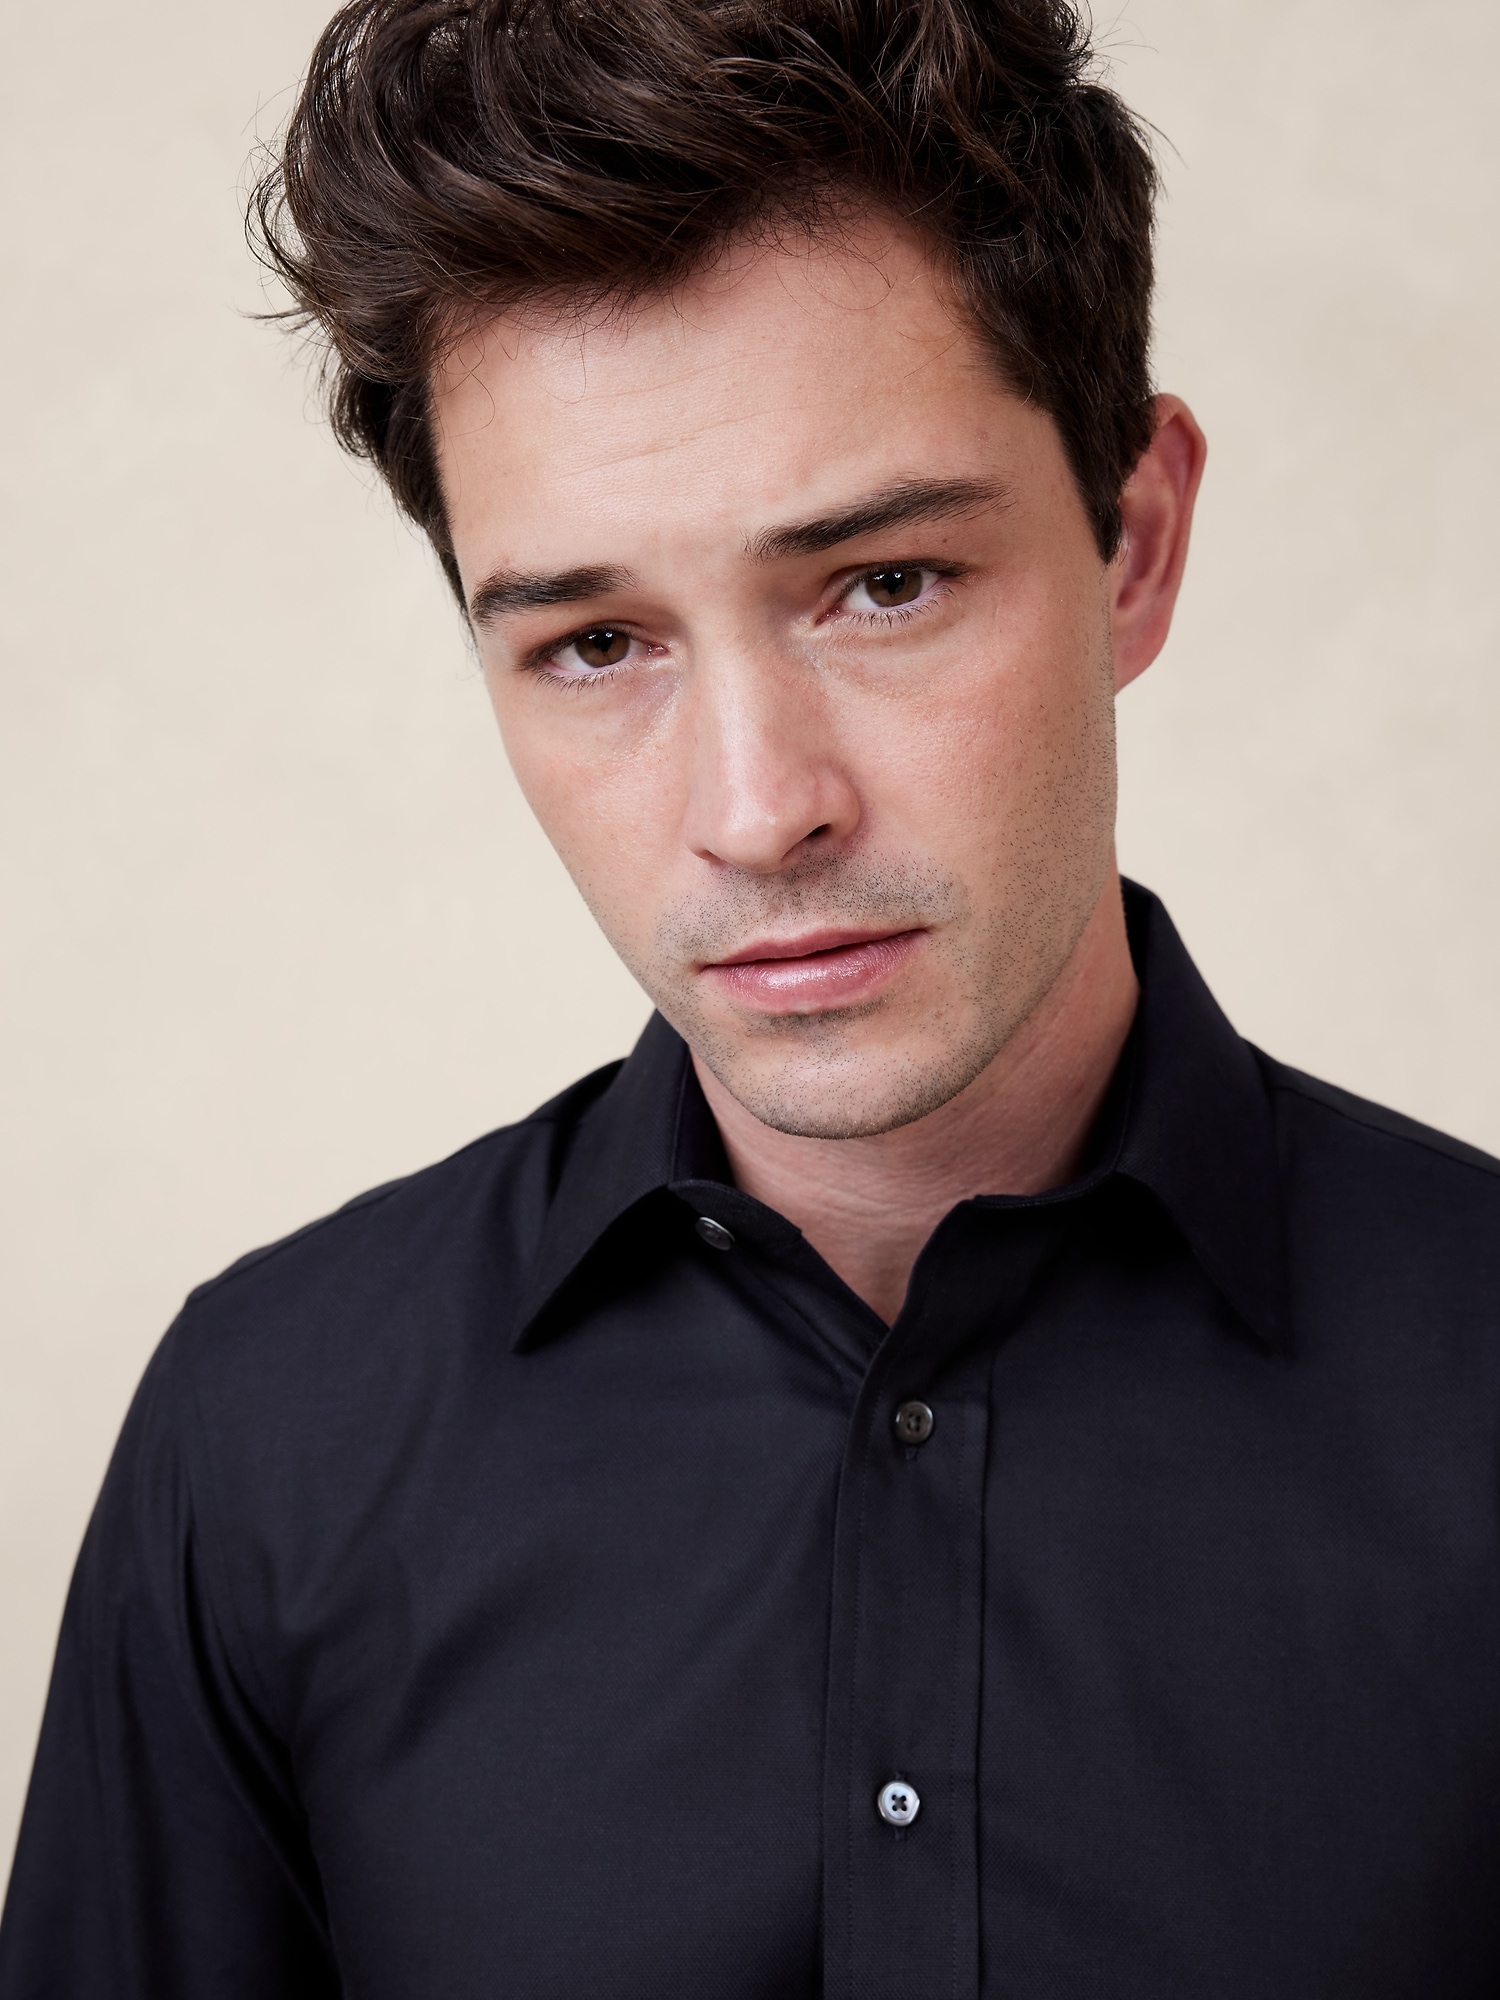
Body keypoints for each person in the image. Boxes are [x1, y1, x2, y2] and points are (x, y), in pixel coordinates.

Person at [3, 0, 1498, 1992]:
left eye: (884, 584)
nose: (753, 810)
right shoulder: (264, 1439)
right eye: (596, 641)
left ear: (1134, 544)